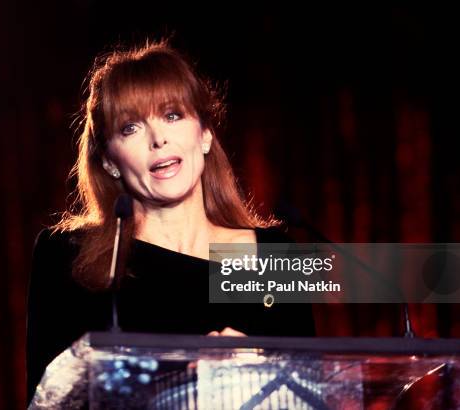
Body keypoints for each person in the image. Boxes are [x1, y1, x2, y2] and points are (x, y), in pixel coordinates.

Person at [26, 39, 315, 403]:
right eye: (130, 127)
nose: (158, 139)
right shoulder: (67, 257)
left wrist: (262, 374)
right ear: (110, 161)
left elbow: (312, 395)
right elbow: (48, 401)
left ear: (206, 134)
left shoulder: (274, 256)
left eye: (172, 115)